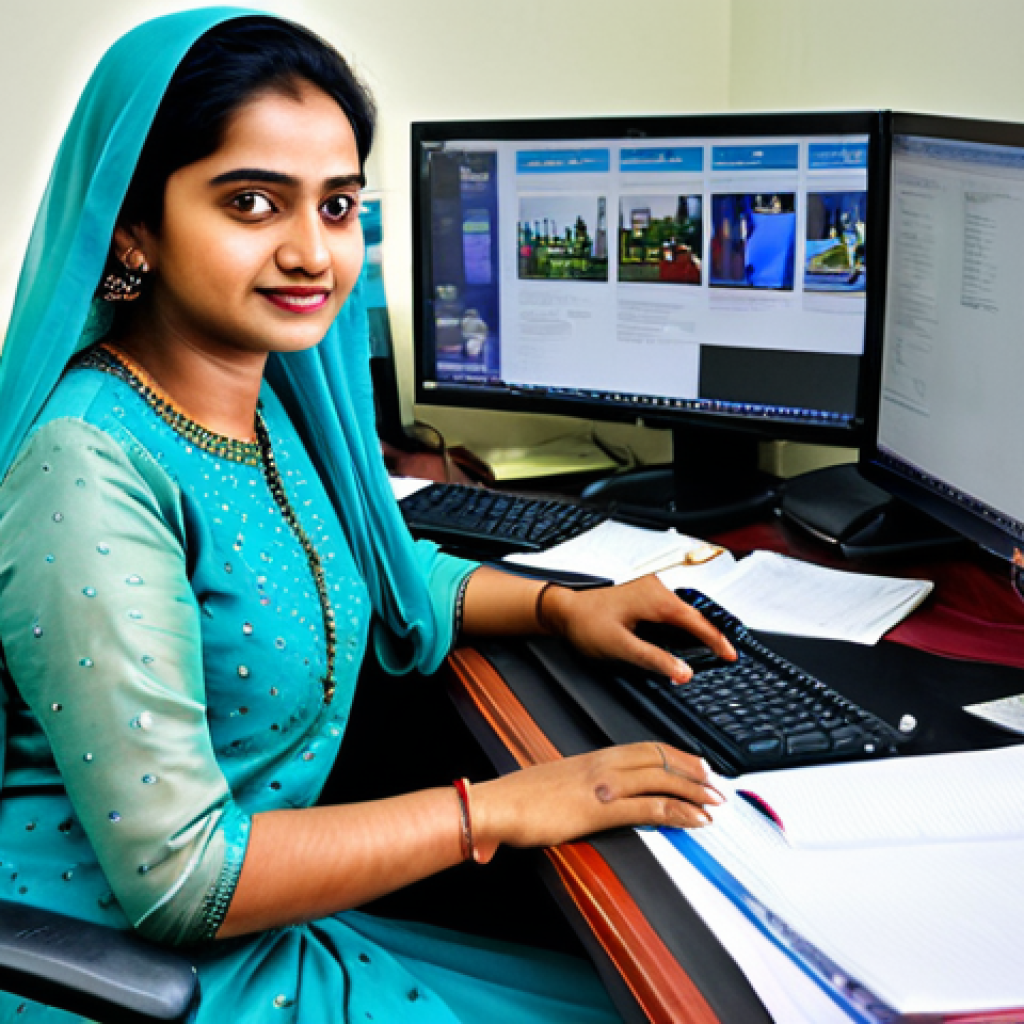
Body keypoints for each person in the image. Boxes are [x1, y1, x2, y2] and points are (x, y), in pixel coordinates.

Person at [0, 10, 736, 1022]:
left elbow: (356, 563)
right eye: (252, 202)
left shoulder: (262, 404)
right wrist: (506, 807)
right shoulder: (88, 465)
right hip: (130, 971)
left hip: (260, 931)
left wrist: (562, 607)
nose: (312, 252)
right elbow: (181, 880)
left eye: (337, 205)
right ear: (135, 226)